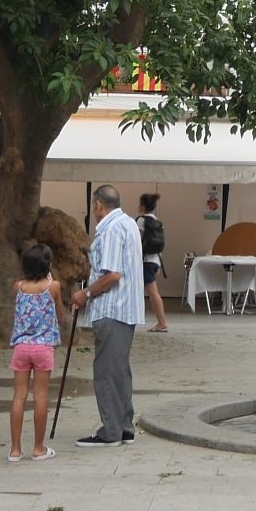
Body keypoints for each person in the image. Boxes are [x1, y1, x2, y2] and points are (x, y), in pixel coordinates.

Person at [71, 185, 143, 447]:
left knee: (107, 371)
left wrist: (85, 294)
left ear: (98, 205)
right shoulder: (128, 224)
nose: (95, 212)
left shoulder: (111, 229)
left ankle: (111, 431)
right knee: (119, 369)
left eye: (94, 207)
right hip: (126, 309)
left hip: (113, 308)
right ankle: (124, 426)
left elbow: (112, 274)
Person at [8, 242, 61, 462]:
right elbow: (59, 311)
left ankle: (15, 449)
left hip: (21, 347)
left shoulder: (17, 287)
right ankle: (38, 447)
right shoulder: (53, 287)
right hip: (43, 347)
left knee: (19, 396)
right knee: (40, 396)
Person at [138, 192, 170, 332]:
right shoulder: (158, 222)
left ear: (142, 206)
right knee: (152, 292)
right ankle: (160, 322)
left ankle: (162, 323)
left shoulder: (141, 221)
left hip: (145, 261)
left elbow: (137, 242)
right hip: (155, 260)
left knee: (153, 293)